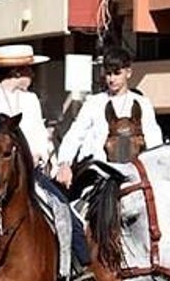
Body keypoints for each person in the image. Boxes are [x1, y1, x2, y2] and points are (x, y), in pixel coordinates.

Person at [0, 44, 96, 281]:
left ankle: (77, 272)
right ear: (17, 71)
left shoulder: (31, 100)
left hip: (28, 176)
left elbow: (38, 137)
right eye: (29, 70)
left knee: (64, 210)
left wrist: (43, 155)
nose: (32, 75)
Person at [56, 50, 164, 184]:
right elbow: (75, 133)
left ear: (128, 73)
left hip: (134, 176)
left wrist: (157, 168)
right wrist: (64, 163)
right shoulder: (93, 102)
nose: (111, 79)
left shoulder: (142, 103)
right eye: (108, 74)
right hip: (97, 174)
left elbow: (154, 139)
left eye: (117, 73)